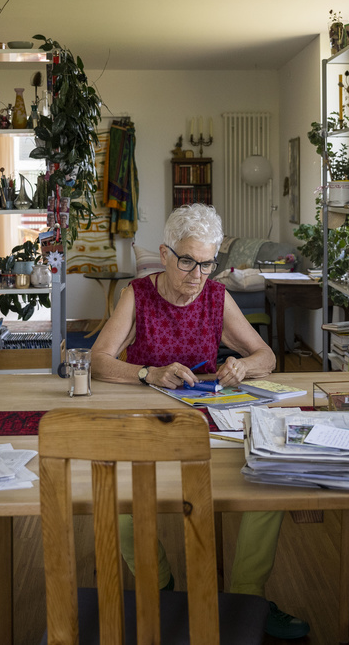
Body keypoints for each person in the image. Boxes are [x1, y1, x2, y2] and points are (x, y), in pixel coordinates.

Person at [89, 203, 310, 640]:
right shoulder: (139, 293)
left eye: (207, 263)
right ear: (166, 254)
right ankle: (163, 589)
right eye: (187, 261)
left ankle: (248, 598)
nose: (197, 275)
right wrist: (147, 373)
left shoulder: (215, 296)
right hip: (149, 421)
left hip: (211, 421)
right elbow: (98, 359)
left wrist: (244, 367)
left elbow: (265, 355)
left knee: (272, 478)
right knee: (120, 503)